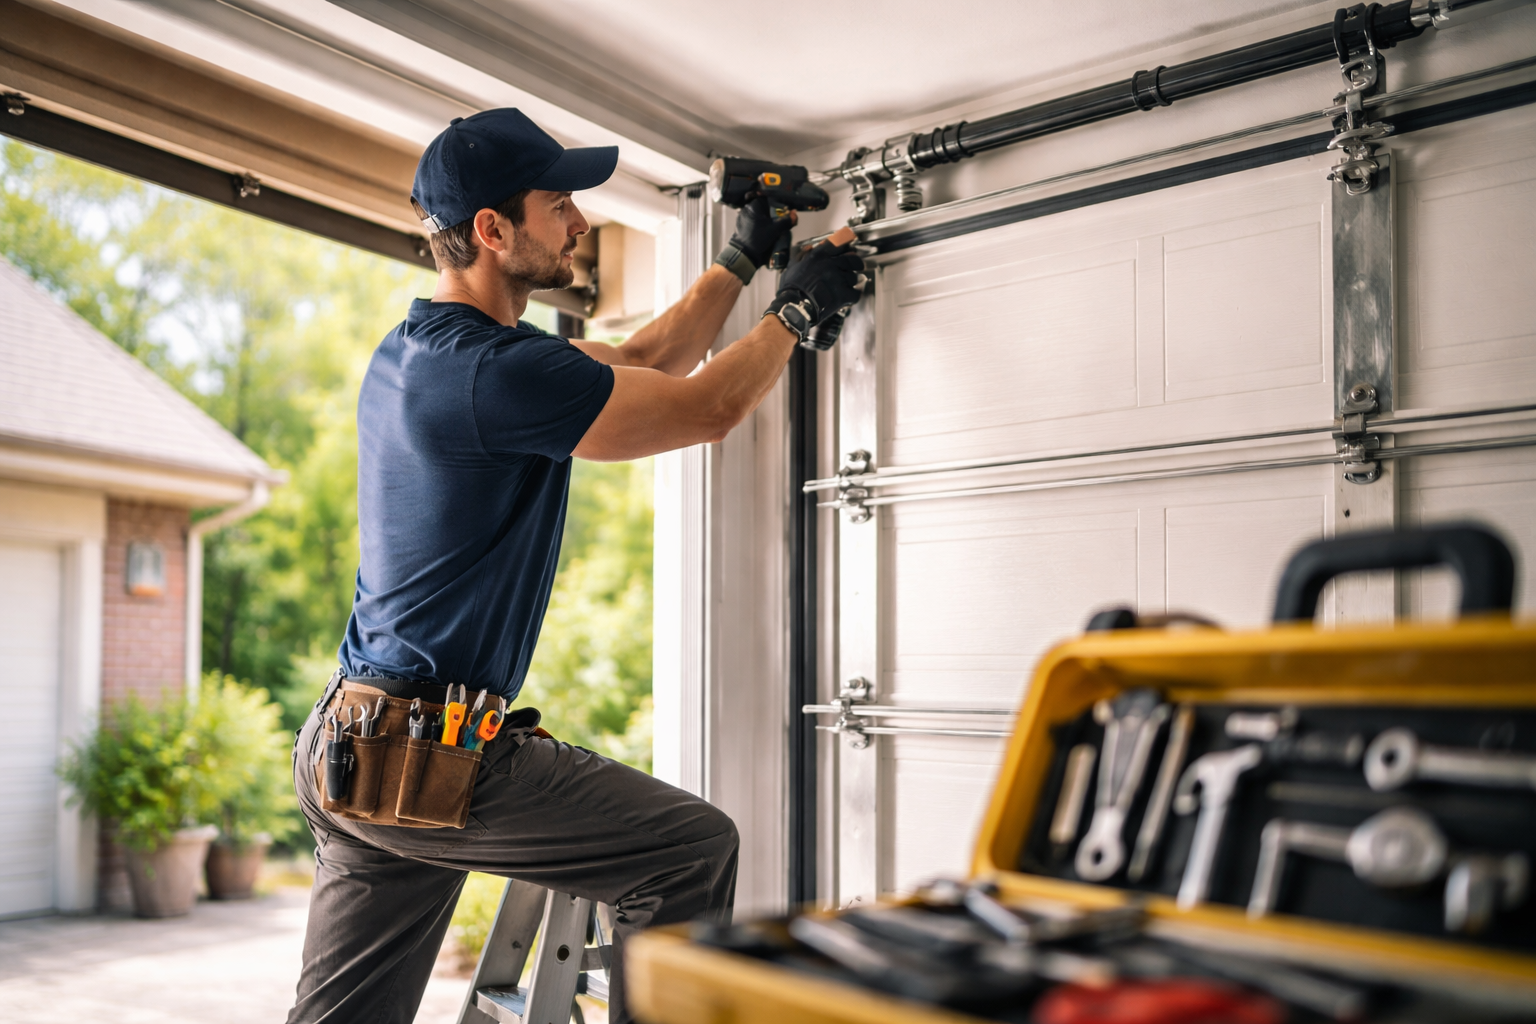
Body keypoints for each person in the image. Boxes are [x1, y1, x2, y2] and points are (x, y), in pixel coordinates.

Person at [288, 108, 864, 1024]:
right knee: (687, 850)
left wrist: (744, 260)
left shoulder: (424, 351)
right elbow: (706, 407)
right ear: (492, 229)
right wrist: (799, 309)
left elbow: (641, 360)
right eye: (559, 204)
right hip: (426, 752)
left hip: (356, 748)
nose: (580, 224)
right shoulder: (494, 377)